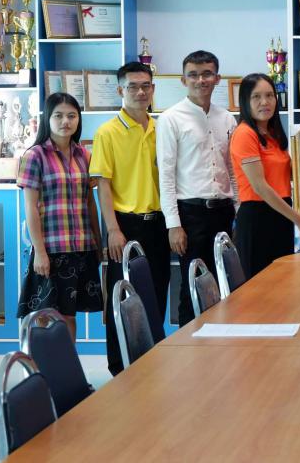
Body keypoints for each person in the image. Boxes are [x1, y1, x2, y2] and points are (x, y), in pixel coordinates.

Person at [90, 62, 171, 376]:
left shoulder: (160, 128)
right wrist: (112, 230)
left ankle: (151, 364)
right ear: (120, 90)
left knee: (156, 295)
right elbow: (103, 184)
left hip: (159, 223)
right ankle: (119, 369)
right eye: (133, 86)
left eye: (146, 86)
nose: (140, 92)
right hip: (125, 225)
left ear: (153, 89)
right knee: (121, 299)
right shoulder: (107, 132)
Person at [156, 50, 237, 326]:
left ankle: (220, 340)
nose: (200, 80)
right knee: (192, 285)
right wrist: (173, 225)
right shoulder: (170, 119)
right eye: (193, 75)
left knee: (225, 282)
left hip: (224, 212)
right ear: (183, 80)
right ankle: (188, 344)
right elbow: (166, 175)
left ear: (217, 78)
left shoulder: (227, 119)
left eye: (206, 74)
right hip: (191, 214)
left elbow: (232, 170)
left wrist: (238, 208)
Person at [17, 93, 103, 341]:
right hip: (51, 250)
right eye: (59, 115)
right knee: (47, 317)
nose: (66, 121)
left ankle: (67, 366)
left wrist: (98, 243)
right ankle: (45, 366)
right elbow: (30, 207)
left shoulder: (84, 155)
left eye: (71, 116)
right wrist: (39, 252)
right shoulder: (34, 156)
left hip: (81, 247)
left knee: (69, 316)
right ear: (48, 118)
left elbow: (90, 203)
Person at [230, 73, 300, 278]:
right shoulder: (245, 133)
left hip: (280, 216)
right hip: (257, 218)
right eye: (256, 97)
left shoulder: (272, 134)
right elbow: (260, 187)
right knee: (260, 288)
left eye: (270, 95)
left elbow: (290, 175)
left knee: (282, 284)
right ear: (245, 101)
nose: (265, 102)